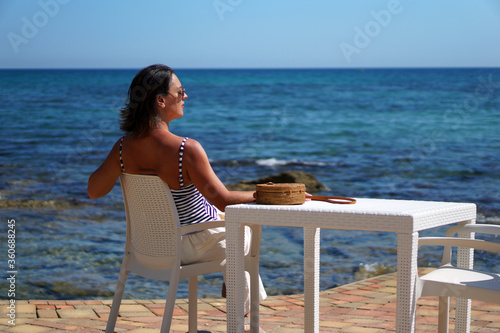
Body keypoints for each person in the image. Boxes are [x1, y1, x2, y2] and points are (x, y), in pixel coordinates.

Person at [87, 64, 266, 313]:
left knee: (230, 228)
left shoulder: (122, 148)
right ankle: (241, 317)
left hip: (150, 247)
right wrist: (265, 194)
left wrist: (120, 164)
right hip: (192, 243)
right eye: (180, 92)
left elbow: (94, 191)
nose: (185, 97)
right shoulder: (186, 149)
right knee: (245, 229)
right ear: (161, 100)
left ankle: (236, 291)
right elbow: (223, 199)